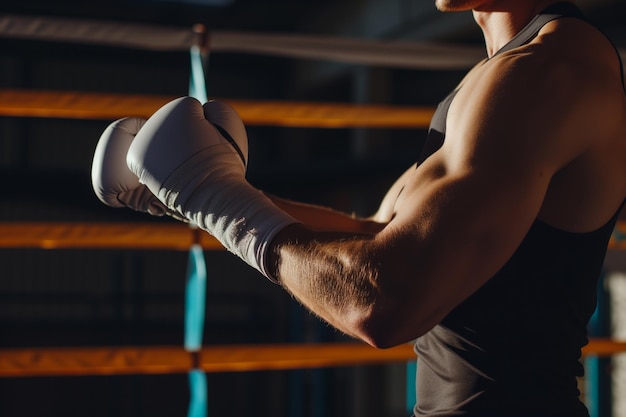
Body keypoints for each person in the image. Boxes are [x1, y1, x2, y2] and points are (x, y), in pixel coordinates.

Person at [91, 0, 626, 415]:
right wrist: (186, 194)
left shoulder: (552, 69)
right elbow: (374, 233)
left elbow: (382, 299)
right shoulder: (492, 81)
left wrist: (213, 196)